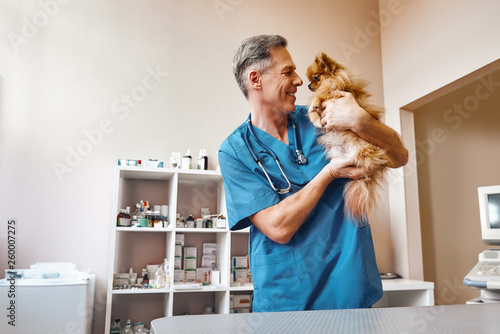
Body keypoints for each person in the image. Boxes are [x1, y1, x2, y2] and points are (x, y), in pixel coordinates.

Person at [218, 35, 408, 312]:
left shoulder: (324, 117)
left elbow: (399, 157)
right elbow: (278, 228)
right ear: (255, 79)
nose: (298, 80)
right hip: (287, 295)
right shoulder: (235, 151)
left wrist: (360, 120)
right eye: (287, 72)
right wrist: (329, 173)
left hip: (348, 282)